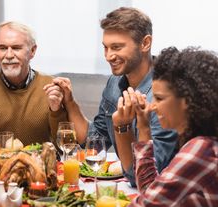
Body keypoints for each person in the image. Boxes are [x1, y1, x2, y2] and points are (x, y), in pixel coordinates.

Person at [0, 47, 218, 207]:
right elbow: (151, 191)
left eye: (159, 98)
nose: (153, 106)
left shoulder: (200, 150)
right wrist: (143, 128)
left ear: (187, 102)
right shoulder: (197, 142)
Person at [50, 7, 177, 186]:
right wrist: (69, 102)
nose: (109, 56)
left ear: (145, 43)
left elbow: (142, 177)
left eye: (117, 47)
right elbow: (92, 143)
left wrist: (121, 128)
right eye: (105, 47)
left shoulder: (164, 94)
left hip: (165, 203)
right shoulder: (114, 83)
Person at [0, 21, 67, 152]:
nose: (8, 55)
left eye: (16, 48)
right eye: (3, 48)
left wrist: (56, 111)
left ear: (32, 51)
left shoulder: (51, 87)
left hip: (38, 169)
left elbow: (65, 148)